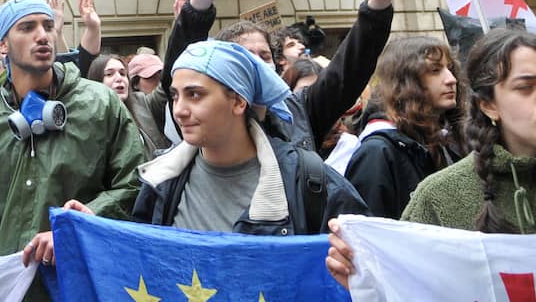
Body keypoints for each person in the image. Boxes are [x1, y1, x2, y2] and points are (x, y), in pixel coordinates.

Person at [326, 29, 536, 289]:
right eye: (525, 87)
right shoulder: (439, 199)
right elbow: (409, 286)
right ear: (489, 106)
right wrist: (368, 273)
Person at [0, 0, 144, 301]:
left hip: (88, 283)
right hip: (14, 290)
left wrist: (81, 221)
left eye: (47, 26)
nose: (42, 35)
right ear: (2, 45)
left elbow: (134, 185)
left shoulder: (100, 103)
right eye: (27, 27)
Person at [177, 0, 414, 155]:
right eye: (247, 55)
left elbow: (347, 72)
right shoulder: (203, 119)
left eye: (265, 55)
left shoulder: (301, 111)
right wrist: (200, 0)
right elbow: (185, 69)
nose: (258, 63)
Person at [132, 40, 368, 234]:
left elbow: (367, 264)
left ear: (238, 102)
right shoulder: (160, 179)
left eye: (194, 94)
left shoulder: (306, 180)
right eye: (175, 96)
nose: (179, 111)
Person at [344, 37, 466, 219]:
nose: (451, 79)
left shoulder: (446, 141)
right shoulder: (376, 153)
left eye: (449, 68)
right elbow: (369, 236)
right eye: (435, 70)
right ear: (405, 82)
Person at [88, 53, 172, 160]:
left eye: (123, 73)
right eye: (109, 74)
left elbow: (167, 81)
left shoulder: (143, 102)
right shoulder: (89, 122)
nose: (119, 78)